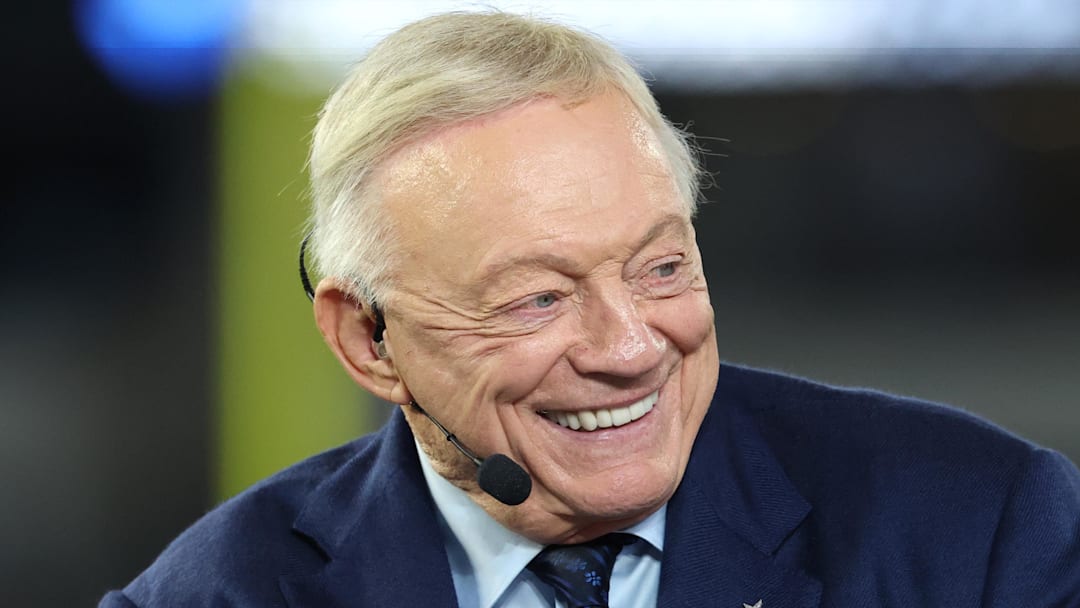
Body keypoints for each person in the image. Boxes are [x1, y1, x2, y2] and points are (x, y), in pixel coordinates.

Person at [100, 11, 1080, 607]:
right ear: (368, 338)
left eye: (661, 268)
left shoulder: (982, 530)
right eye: (536, 298)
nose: (629, 348)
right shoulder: (222, 592)